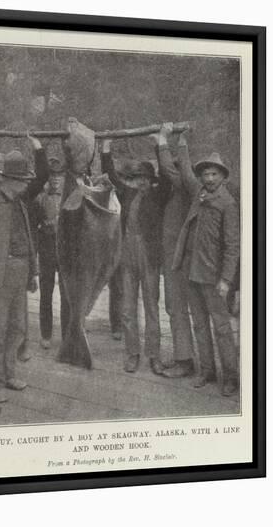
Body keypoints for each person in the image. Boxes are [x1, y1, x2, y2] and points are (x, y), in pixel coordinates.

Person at [0, 130, 49, 403]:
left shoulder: (22, 203)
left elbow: (29, 240)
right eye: (22, 181)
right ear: (9, 180)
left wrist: (33, 273)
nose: (25, 185)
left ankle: (8, 374)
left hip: (21, 273)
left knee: (17, 328)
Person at [173, 146, 240, 396]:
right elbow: (187, 175)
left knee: (222, 328)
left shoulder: (228, 204)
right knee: (199, 325)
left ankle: (231, 377)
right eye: (206, 175)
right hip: (192, 272)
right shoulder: (198, 195)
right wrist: (180, 145)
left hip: (214, 278)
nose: (209, 179)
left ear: (222, 177)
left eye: (214, 174)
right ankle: (207, 370)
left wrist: (225, 279)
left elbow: (233, 247)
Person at [101, 140, 170, 375]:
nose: (142, 182)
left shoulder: (159, 196)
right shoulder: (127, 194)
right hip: (126, 259)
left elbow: (168, 177)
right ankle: (132, 354)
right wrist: (106, 149)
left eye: (146, 178)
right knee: (127, 311)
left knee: (152, 309)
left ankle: (154, 355)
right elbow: (110, 175)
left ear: (152, 181)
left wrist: (160, 145)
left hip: (149, 259)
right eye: (138, 177)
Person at [149, 123, 195, 378]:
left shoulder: (186, 186)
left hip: (179, 261)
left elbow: (168, 169)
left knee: (177, 308)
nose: (170, 171)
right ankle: (184, 356)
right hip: (173, 259)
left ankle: (185, 361)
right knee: (174, 308)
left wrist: (164, 140)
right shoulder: (180, 188)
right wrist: (160, 144)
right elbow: (166, 170)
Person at [33, 157, 66, 349]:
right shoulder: (40, 198)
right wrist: (47, 225)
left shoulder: (70, 196)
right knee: (46, 294)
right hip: (46, 250)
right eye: (52, 175)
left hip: (64, 252)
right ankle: (46, 334)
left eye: (59, 175)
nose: (55, 179)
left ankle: (67, 336)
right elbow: (35, 224)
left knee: (67, 295)